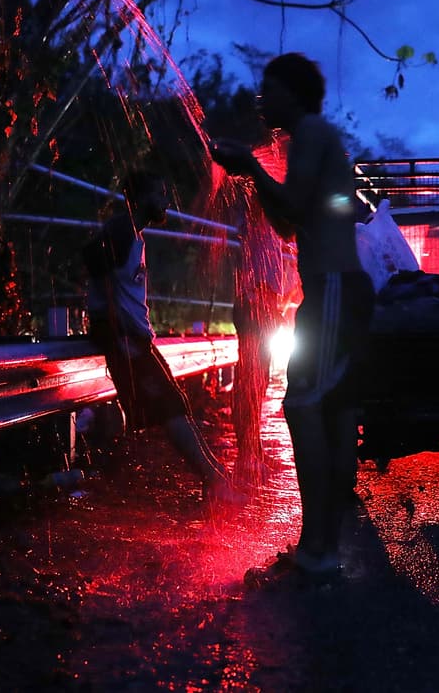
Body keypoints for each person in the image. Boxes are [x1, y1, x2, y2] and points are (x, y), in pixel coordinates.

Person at [210, 52, 374, 585]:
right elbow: (287, 228)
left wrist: (251, 167)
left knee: (304, 407)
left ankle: (318, 552)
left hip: (330, 292)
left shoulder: (309, 134)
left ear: (294, 93)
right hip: (336, 292)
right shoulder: (317, 137)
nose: (262, 100)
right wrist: (253, 177)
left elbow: (297, 210)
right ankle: (321, 547)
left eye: (269, 89)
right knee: (332, 412)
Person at [82, 169, 242, 505]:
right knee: (169, 408)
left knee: (177, 404)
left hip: (137, 338)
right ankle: (216, 483)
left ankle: (217, 479)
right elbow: (95, 265)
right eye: (160, 193)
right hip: (126, 338)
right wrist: (114, 331)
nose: (166, 201)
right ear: (141, 198)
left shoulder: (133, 232)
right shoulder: (122, 228)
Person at [230, 186, 296, 485]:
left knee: (256, 381)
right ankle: (247, 455)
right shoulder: (258, 220)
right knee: (251, 381)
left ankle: (252, 451)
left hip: (260, 303)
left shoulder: (266, 226)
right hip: (255, 303)